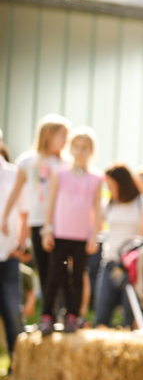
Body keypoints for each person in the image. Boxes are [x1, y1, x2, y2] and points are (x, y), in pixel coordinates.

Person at [40, 127, 103, 335]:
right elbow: (50, 203)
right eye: (76, 147)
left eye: (84, 148)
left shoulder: (96, 178)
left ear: (91, 151)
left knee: (77, 278)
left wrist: (95, 235)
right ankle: (47, 315)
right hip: (60, 233)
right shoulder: (60, 174)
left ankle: (72, 316)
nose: (79, 151)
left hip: (81, 236)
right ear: (71, 148)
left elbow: (98, 208)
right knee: (55, 276)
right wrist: (47, 230)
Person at [2, 115, 70, 302]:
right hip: (37, 220)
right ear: (48, 134)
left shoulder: (65, 163)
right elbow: (15, 192)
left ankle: (66, 312)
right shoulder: (27, 161)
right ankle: (49, 314)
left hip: (61, 223)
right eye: (62, 135)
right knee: (44, 268)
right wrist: (5, 217)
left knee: (60, 268)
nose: (65, 140)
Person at [94, 163, 143, 328]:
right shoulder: (108, 204)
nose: (109, 190)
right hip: (110, 262)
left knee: (130, 317)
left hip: (132, 265)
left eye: (111, 185)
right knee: (101, 316)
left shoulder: (141, 202)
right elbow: (95, 226)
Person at [0, 128, 27, 370]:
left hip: (8, 255)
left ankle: (18, 365)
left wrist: (22, 245)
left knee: (12, 311)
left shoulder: (13, 174)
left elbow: (25, 212)